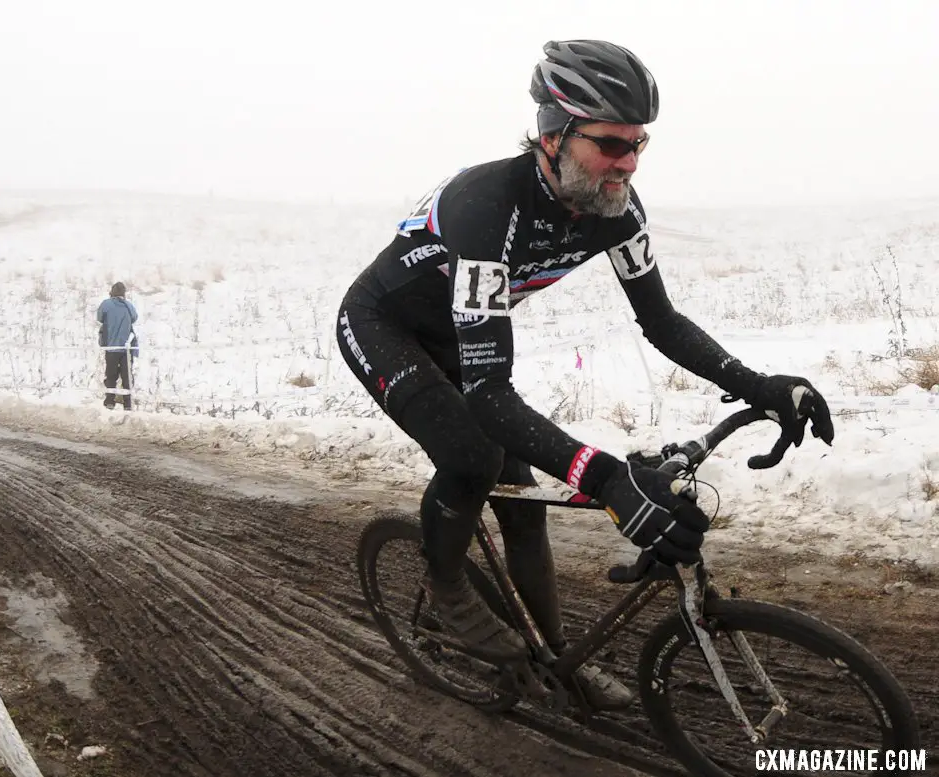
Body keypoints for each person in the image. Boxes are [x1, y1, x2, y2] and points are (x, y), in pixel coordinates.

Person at [334, 39, 834, 711]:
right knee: (474, 454)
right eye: (610, 145)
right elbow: (487, 391)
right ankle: (447, 583)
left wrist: (758, 383)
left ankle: (555, 663)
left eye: (639, 145)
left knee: (523, 504)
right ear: (552, 136)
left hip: (456, 335)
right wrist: (604, 478)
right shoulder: (485, 207)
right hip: (382, 325)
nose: (627, 163)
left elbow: (661, 320)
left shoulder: (616, 208)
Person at [97, 281, 139, 410]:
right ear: (123, 294)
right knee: (127, 375)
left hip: (111, 347)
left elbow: (99, 318)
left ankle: (110, 401)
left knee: (111, 375)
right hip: (126, 348)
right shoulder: (129, 306)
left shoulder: (106, 304)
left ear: (112, 292)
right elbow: (135, 318)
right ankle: (127, 403)